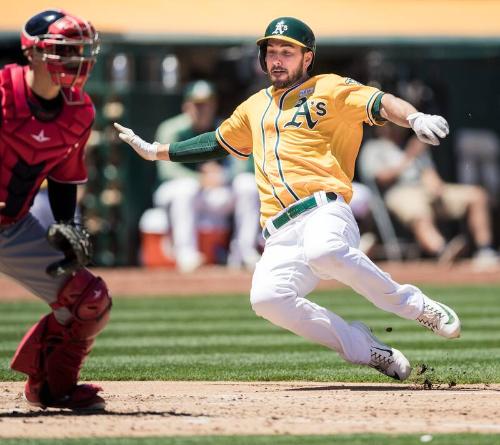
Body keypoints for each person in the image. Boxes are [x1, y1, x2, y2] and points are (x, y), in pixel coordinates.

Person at [115, 17, 461, 381]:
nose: (277, 59)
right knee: (267, 299)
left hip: (324, 208)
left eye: (287, 51)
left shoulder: (328, 88)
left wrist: (415, 117)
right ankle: (367, 349)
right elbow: (216, 142)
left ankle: (418, 306)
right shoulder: (252, 107)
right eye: (272, 52)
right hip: (279, 231)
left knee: (324, 251)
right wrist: (158, 151)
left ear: (307, 58)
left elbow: (381, 102)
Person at [0, 9, 111, 410]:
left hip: (9, 226)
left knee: (88, 299)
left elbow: (65, 175)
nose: (74, 61)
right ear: (31, 53)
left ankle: (52, 388)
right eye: (62, 51)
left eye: (80, 51)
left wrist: (66, 225)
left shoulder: (79, 111)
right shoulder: (1, 91)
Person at [150, 80, 260, 271]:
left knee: (248, 184)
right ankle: (186, 254)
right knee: (186, 188)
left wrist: (223, 176)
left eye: (207, 103)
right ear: (186, 105)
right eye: (197, 104)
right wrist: (201, 179)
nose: (202, 109)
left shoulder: (224, 127)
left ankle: (244, 252)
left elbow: (245, 162)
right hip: (175, 193)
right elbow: (167, 170)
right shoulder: (172, 128)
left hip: (213, 191)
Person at [359, 123, 498, 266]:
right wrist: (409, 156)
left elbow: (429, 173)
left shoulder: (413, 145)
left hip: (426, 190)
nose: (394, 128)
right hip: (399, 192)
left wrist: (436, 186)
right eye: (389, 125)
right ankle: (442, 251)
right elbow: (382, 179)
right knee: (419, 210)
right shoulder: (374, 148)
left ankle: (485, 250)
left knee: (477, 195)